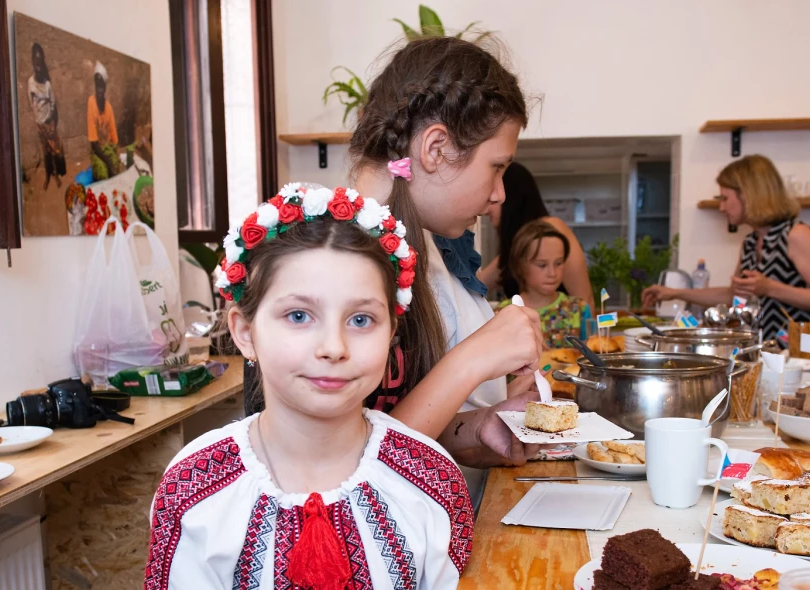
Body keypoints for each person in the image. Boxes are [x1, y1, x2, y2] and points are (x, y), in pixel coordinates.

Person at [106, 185, 468, 590]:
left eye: (362, 320)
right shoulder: (200, 487)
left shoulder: (426, 479)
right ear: (244, 329)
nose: (333, 346)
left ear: (393, 331)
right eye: (298, 315)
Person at [243, 38, 546, 492]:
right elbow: (347, 464)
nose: (500, 193)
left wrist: (480, 426)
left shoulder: (424, 242)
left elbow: (397, 423)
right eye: (496, 167)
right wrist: (474, 359)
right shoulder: (333, 257)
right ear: (436, 148)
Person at [641, 154, 810, 340]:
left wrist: (770, 288)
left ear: (749, 195)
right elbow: (733, 295)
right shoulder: (750, 242)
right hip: (766, 352)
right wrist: (674, 293)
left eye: (725, 198)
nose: (721, 208)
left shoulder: (796, 235)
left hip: (799, 355)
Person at [478, 163, 595, 310]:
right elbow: (478, 285)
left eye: (493, 195)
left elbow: (585, 300)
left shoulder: (551, 231)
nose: (487, 207)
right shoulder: (517, 244)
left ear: (510, 198)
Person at [499, 220, 592, 350]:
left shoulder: (579, 309)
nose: (552, 273)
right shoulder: (504, 313)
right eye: (542, 265)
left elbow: (592, 355)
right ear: (520, 265)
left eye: (558, 263)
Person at [27, 43, 65, 190]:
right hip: (39, 125)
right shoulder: (30, 83)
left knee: (55, 150)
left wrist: (49, 119)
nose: (38, 65)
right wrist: (38, 118)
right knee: (45, 152)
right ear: (32, 61)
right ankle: (48, 176)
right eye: (36, 61)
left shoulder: (47, 84)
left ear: (43, 63)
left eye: (40, 62)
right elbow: (32, 102)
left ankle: (55, 175)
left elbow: (53, 102)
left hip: (49, 124)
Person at [88, 61, 122, 180]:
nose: (100, 90)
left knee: (114, 171)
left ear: (105, 87)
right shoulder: (91, 103)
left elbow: (114, 138)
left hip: (108, 148)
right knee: (103, 173)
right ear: (95, 86)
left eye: (102, 86)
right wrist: (108, 162)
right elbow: (93, 143)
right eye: (98, 86)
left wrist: (114, 159)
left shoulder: (108, 108)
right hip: (98, 151)